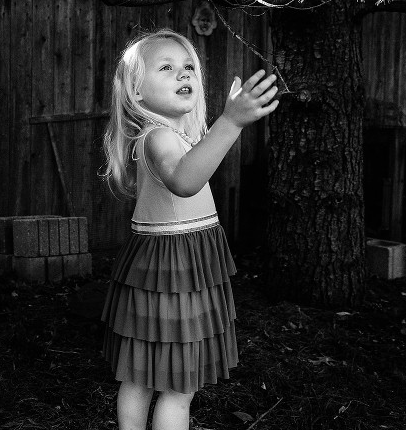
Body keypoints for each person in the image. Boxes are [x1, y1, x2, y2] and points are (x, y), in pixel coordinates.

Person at [101, 29, 279, 430]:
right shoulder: (160, 137)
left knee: (141, 376)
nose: (183, 74)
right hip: (174, 270)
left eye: (189, 68)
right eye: (166, 67)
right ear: (136, 91)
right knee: (178, 387)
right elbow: (185, 182)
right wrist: (230, 122)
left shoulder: (177, 136)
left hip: (172, 265)